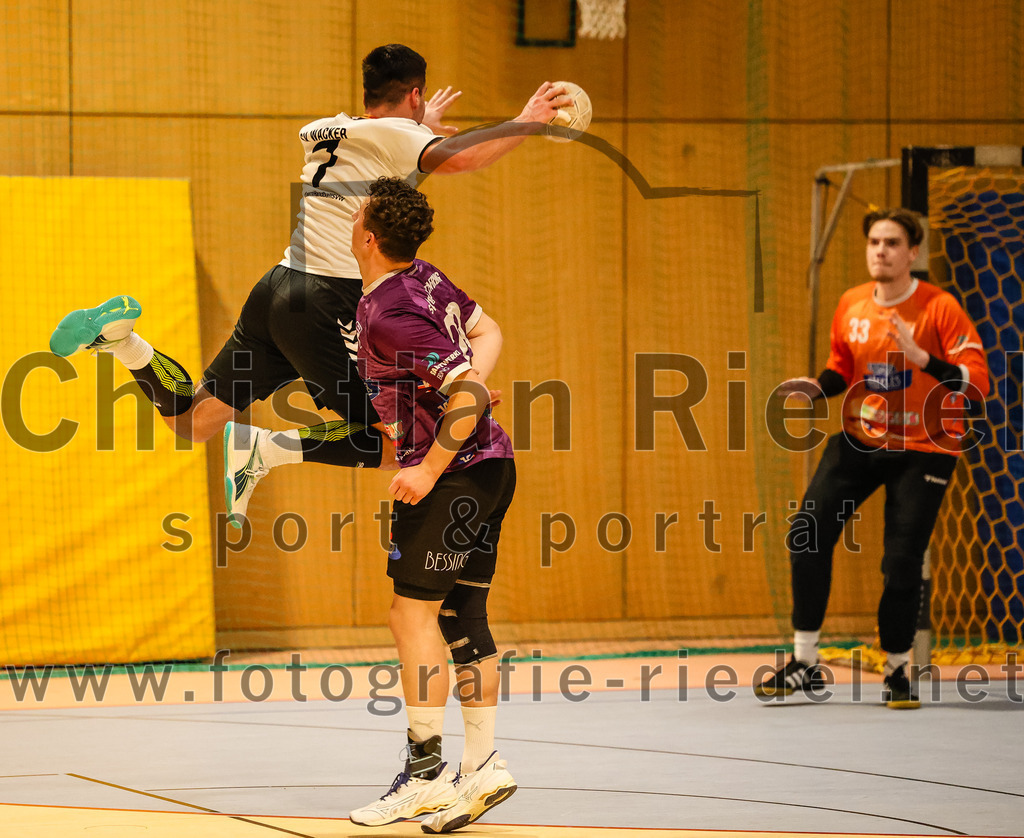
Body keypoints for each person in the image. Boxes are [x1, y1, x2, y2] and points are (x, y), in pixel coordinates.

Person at [48, 44, 567, 528]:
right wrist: (527, 121)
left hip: (277, 290)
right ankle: (267, 448)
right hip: (327, 301)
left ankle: (125, 344)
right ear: (414, 94)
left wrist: (419, 127)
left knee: (194, 422)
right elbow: (462, 157)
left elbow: (388, 152)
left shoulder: (326, 130)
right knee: (398, 439)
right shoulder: (400, 137)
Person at [329, 177, 516, 832]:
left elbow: (467, 395)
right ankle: (483, 765)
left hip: (456, 472)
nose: (351, 222)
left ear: (369, 237)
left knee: (410, 617)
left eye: (356, 216)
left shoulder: (390, 314)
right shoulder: (424, 280)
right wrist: (468, 380)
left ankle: (427, 773)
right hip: (493, 466)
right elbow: (488, 329)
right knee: (463, 614)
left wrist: (429, 468)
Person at [755, 207, 990, 709]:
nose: (880, 250)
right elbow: (842, 365)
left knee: (901, 562)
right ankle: (804, 662)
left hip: (925, 447)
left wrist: (925, 360)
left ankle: (898, 671)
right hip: (861, 439)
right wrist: (815, 389)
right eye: (874, 242)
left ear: (913, 253)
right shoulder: (852, 304)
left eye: (891, 243)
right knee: (808, 534)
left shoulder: (940, 309)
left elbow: (977, 384)